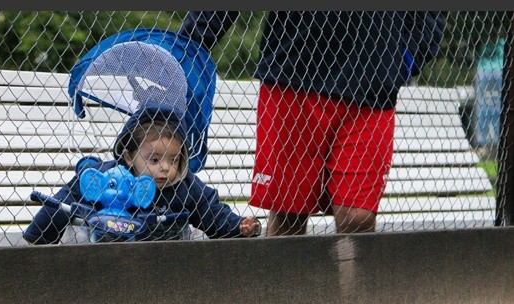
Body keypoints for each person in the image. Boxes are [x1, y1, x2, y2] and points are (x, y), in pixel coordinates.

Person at [178, 11, 448, 235]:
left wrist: (409, 56)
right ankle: (283, 298)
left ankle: (353, 298)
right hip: (294, 71)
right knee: (289, 215)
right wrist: (186, 47)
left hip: (373, 83)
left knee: (358, 217)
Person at [23, 106, 261, 244]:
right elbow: (66, 199)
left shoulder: (184, 185)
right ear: (128, 157)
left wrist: (237, 225)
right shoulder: (109, 177)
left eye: (174, 159)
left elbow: (211, 210)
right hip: (106, 259)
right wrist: (39, 236)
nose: (166, 168)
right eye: (155, 160)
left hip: (168, 263)